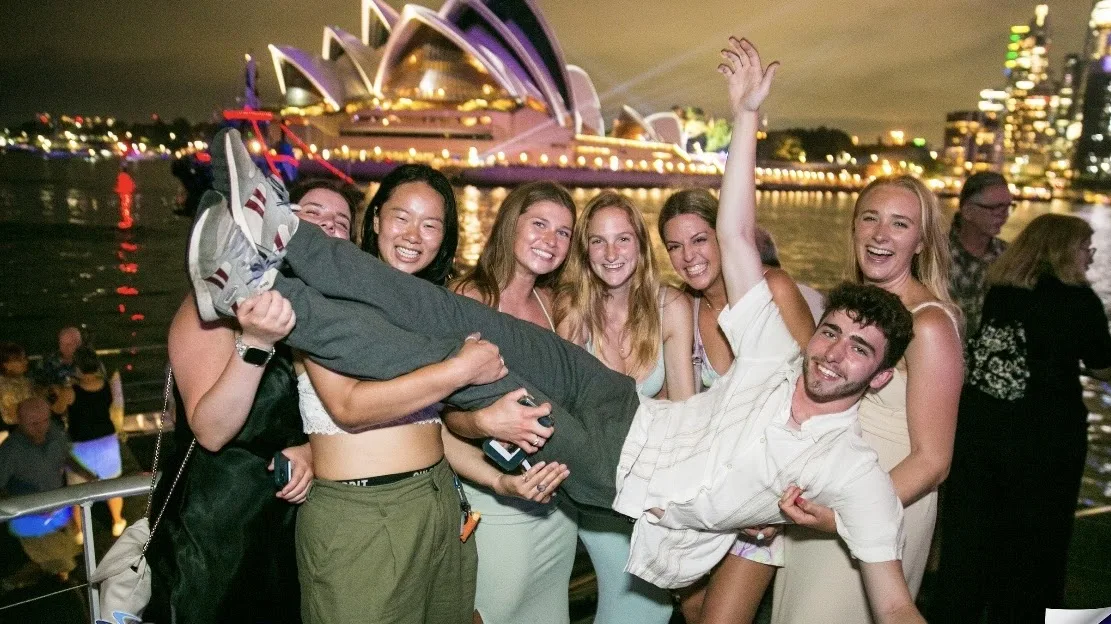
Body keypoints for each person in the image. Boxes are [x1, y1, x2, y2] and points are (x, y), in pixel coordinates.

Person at [191, 42, 928, 623]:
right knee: (459, 318)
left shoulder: (852, 470)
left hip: (620, 467)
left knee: (456, 359)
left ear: (882, 375)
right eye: (831, 332)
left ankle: (259, 288)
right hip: (617, 401)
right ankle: (285, 230)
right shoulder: (781, 355)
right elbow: (734, 236)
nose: (830, 353)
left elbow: (891, 601)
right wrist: (744, 117)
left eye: (857, 349)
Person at [290, 164, 545, 624]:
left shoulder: (429, 310)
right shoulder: (326, 298)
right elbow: (349, 407)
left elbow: (430, 432)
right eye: (401, 217)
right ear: (374, 221)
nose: (414, 235)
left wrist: (499, 481)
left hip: (439, 503)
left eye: (430, 224)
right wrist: (458, 370)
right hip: (363, 516)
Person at [724, 180, 963, 623]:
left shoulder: (927, 325)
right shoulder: (851, 310)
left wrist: (845, 516)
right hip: (822, 503)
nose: (880, 234)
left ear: (921, 241)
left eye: (900, 223)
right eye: (870, 218)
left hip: (884, 506)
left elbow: (934, 460)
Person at [146, 187, 314, 624]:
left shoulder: (316, 316)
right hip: (216, 523)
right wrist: (257, 344)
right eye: (312, 213)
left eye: (340, 222)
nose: (326, 225)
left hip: (289, 521)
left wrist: (316, 451)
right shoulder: (210, 310)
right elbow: (212, 431)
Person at [932, 214, 1111, 622]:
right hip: (1045, 435)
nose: (1090, 256)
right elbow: (1101, 361)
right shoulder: (1079, 300)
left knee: (971, 542)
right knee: (1037, 545)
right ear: (1065, 251)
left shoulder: (1001, 292)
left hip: (983, 428)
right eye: (1086, 247)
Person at [657, 189, 815, 622]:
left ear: (723, 237)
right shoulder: (682, 309)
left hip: (768, 497)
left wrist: (774, 494)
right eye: (675, 246)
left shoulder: (773, 289)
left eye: (700, 239)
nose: (688, 256)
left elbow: (821, 388)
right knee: (694, 611)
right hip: (707, 497)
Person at [444, 181, 579, 624]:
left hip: (556, 504)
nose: (551, 240)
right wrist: (487, 421)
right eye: (539, 224)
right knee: (490, 611)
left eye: (563, 232)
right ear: (510, 224)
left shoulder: (554, 302)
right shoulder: (470, 297)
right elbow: (446, 417)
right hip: (496, 500)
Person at [554, 190, 692, 623]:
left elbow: (686, 412)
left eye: (623, 239)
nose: (611, 253)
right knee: (635, 606)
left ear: (640, 245)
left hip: (651, 488)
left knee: (647, 606)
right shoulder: (574, 312)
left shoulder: (671, 306)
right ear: (585, 250)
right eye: (598, 241)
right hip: (592, 491)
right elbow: (563, 412)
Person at [0, 397, 95, 587]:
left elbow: (66, 457)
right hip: (31, 517)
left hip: (58, 507)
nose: (41, 427)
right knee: (57, 563)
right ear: (20, 421)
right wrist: (16, 508)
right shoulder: (9, 451)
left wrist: (87, 474)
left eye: (45, 421)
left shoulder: (56, 434)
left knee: (67, 556)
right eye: (34, 423)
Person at [63, 347, 127, 537]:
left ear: (77, 368)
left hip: (81, 447)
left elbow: (58, 409)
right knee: (112, 487)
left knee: (78, 493)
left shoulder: (70, 392)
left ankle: (80, 531)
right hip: (107, 442)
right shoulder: (106, 385)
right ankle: (117, 521)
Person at [948, 171, 1012, 334]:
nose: (1003, 215)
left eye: (1007, 207)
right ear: (968, 211)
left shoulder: (1011, 257)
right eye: (995, 208)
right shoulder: (933, 254)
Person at [0, 342, 34, 430]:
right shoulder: (4, 387)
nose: (25, 362)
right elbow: (14, 416)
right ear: (6, 365)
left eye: (25, 358)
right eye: (20, 360)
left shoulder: (24, 380)